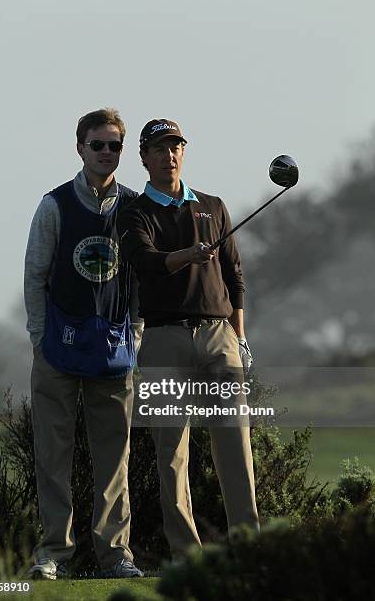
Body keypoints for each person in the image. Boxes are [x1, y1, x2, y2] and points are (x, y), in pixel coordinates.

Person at [117, 118, 259, 561]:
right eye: (159, 148)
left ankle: (249, 547)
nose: (169, 155)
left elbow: (234, 275)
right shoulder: (135, 211)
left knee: (235, 442)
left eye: (175, 146)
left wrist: (240, 335)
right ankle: (187, 556)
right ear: (144, 157)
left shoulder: (213, 206)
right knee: (171, 451)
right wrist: (190, 255)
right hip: (163, 339)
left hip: (219, 336)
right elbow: (146, 262)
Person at [24, 108, 143, 579]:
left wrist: (135, 335)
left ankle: (116, 555)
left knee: (115, 457)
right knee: (52, 455)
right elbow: (35, 277)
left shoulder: (136, 208)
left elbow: (140, 282)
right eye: (98, 144)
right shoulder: (53, 205)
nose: (106, 153)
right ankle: (53, 553)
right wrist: (39, 338)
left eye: (114, 145)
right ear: (80, 147)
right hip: (58, 346)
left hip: (113, 351)